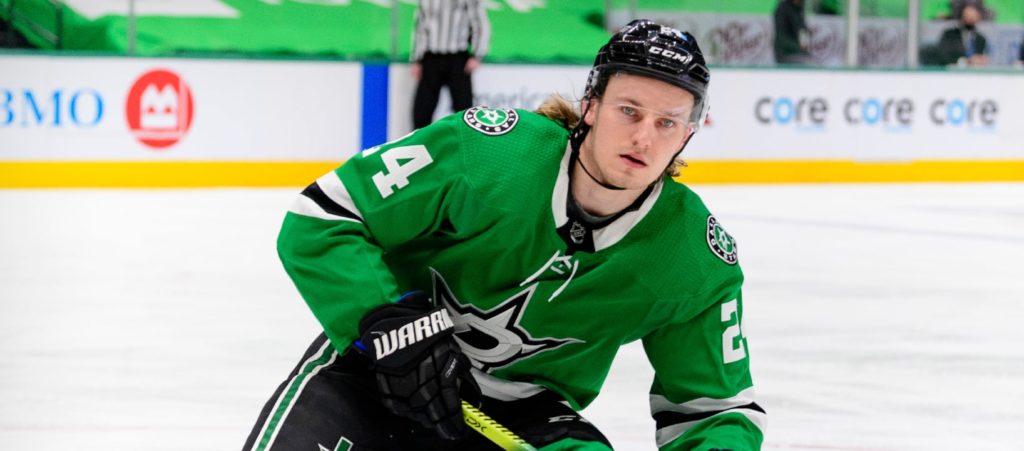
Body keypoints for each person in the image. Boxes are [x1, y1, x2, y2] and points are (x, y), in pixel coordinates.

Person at [244, 19, 765, 451]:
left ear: (689, 132)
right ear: (591, 104)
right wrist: (391, 323)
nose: (644, 137)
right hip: (381, 369)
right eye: (629, 110)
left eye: (667, 122)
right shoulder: (488, 153)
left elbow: (714, 411)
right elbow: (324, 217)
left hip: (526, 416)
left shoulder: (692, 257)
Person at [411, 0, 490, 130]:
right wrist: (416, 59)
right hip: (431, 58)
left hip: (457, 58)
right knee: (421, 111)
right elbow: (420, 27)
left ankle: (466, 141)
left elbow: (480, 23)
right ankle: (421, 142)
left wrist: (477, 54)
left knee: (464, 112)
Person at [773, 0, 811, 64]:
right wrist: (798, 47)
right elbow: (781, 38)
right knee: (808, 63)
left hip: (797, 52)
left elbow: (802, 27)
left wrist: (806, 34)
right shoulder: (783, 9)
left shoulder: (798, 8)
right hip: (785, 53)